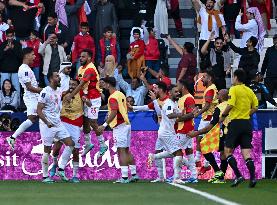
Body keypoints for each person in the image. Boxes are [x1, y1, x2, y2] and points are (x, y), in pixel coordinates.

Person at [64, 49, 108, 157]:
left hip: (94, 99)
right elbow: (76, 83)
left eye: (83, 57)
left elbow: (81, 84)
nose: (81, 58)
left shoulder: (90, 69)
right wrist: (66, 92)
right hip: (85, 97)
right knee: (85, 121)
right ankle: (88, 144)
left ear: (89, 58)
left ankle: (103, 145)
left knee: (93, 122)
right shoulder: (80, 68)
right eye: (80, 56)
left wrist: (71, 95)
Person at [219, 69, 258, 188]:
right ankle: (252, 178)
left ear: (235, 77)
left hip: (235, 123)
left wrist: (223, 116)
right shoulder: (249, 90)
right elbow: (255, 107)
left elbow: (230, 105)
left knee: (227, 151)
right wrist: (246, 113)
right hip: (246, 123)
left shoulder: (234, 89)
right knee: (246, 153)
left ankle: (238, 175)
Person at [98, 77, 139, 183]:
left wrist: (104, 124)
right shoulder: (120, 94)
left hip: (119, 126)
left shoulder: (112, 97)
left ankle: (124, 177)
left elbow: (114, 112)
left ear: (108, 85)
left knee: (121, 151)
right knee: (126, 150)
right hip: (127, 124)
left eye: (104, 84)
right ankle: (134, 175)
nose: (103, 85)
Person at [50, 78, 91, 183]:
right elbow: (67, 98)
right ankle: (55, 164)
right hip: (63, 122)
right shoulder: (65, 93)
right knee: (57, 147)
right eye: (70, 84)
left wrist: (87, 101)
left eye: (74, 84)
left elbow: (90, 104)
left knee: (75, 149)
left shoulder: (82, 93)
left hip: (76, 124)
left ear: (78, 85)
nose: (71, 85)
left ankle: (74, 175)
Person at [37, 71, 75, 183]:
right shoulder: (45, 92)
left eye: (59, 76)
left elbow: (60, 96)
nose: (59, 78)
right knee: (47, 150)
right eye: (56, 76)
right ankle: (45, 176)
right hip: (47, 125)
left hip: (58, 124)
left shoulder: (58, 91)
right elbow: (39, 110)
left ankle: (61, 168)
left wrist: (69, 91)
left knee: (71, 144)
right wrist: (47, 122)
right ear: (50, 79)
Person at [128, 81, 169, 182]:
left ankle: (188, 171)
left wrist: (155, 100)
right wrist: (132, 107)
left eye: (156, 88)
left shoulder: (168, 101)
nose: (154, 90)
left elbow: (160, 113)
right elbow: (146, 107)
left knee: (175, 153)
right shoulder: (158, 100)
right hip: (162, 130)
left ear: (161, 89)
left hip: (170, 131)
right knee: (158, 150)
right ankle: (161, 177)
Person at [188, 89, 230, 183]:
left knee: (204, 145)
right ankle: (220, 176)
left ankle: (218, 172)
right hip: (230, 132)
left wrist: (196, 133)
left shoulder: (219, 108)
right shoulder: (231, 105)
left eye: (218, 94)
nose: (217, 96)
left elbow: (210, 126)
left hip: (223, 132)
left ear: (222, 96)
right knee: (223, 154)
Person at [146, 84, 184, 184]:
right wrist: (180, 114)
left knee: (172, 153)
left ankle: (154, 158)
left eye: (178, 91)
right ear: (169, 93)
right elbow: (170, 115)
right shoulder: (169, 103)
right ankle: (176, 178)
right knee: (179, 153)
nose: (178, 93)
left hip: (165, 131)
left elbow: (179, 117)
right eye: (175, 92)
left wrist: (192, 114)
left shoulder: (173, 103)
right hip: (166, 132)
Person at [6, 47, 42, 150]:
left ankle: (12, 137)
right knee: (42, 115)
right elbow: (30, 87)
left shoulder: (26, 68)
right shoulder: (24, 69)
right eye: (33, 54)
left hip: (33, 97)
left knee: (32, 119)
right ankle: (53, 138)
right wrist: (44, 90)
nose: (34, 57)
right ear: (26, 56)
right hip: (32, 97)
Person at [194, 70, 218, 174]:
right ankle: (205, 164)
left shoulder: (210, 89)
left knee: (200, 138)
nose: (202, 79)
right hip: (206, 116)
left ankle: (198, 159)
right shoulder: (210, 88)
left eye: (204, 77)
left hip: (208, 117)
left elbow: (207, 106)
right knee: (202, 140)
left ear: (210, 78)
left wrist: (197, 113)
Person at [0, 29, 22, 97]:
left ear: (14, 35)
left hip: (15, 70)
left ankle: (17, 105)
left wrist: (13, 49)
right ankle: (3, 104)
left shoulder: (18, 44)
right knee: (3, 87)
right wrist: (5, 50)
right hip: (4, 71)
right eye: (8, 36)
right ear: (6, 36)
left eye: (11, 36)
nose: (10, 38)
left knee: (16, 88)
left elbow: (20, 57)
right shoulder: (2, 45)